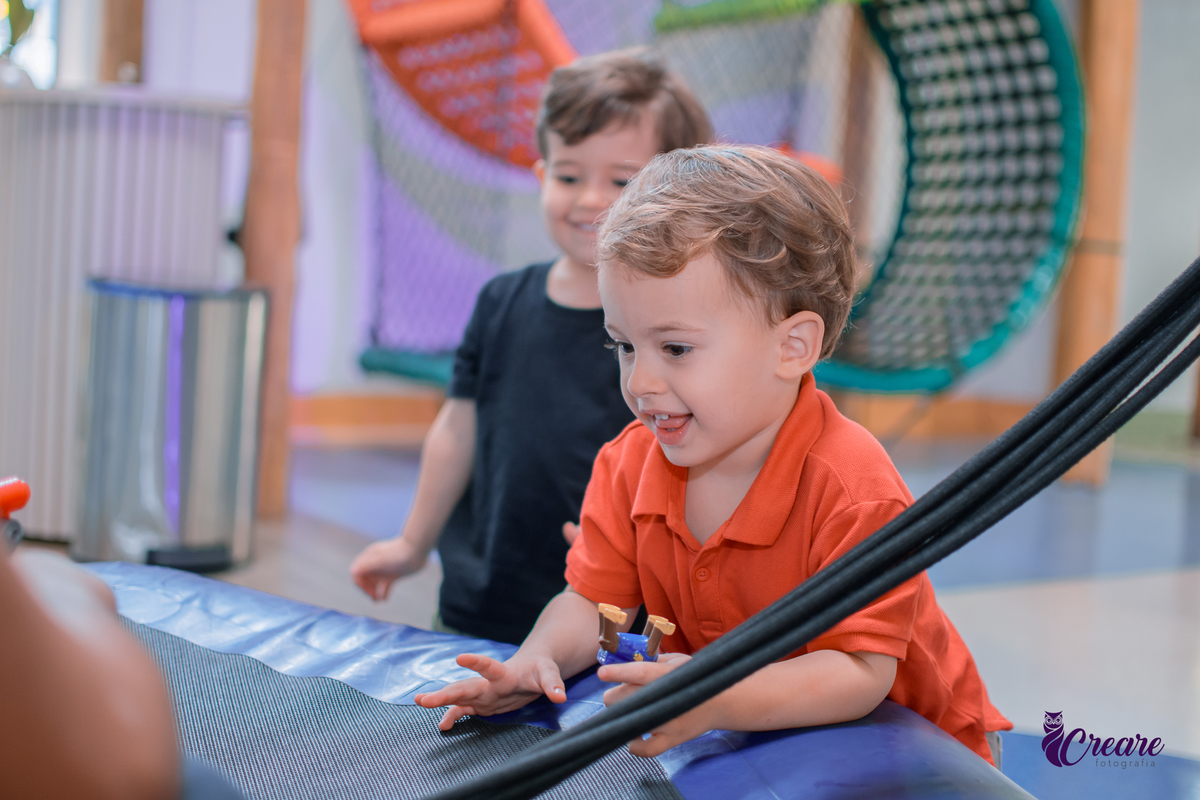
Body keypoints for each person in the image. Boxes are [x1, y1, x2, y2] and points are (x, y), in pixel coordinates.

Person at [412, 145, 1012, 766]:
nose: (640, 381)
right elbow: (593, 604)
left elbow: (859, 672)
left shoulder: (851, 487)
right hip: (758, 740)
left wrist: (711, 695)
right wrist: (536, 660)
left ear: (792, 347)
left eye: (674, 348)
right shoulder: (629, 465)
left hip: (919, 753)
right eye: (623, 346)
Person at [350, 50, 714, 644]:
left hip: (614, 598)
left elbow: (700, 454)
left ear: (677, 191)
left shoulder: (672, 327)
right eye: (569, 176)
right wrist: (413, 542)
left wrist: (636, 546)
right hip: (487, 589)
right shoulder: (501, 302)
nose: (591, 199)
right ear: (542, 178)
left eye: (621, 181)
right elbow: (457, 427)